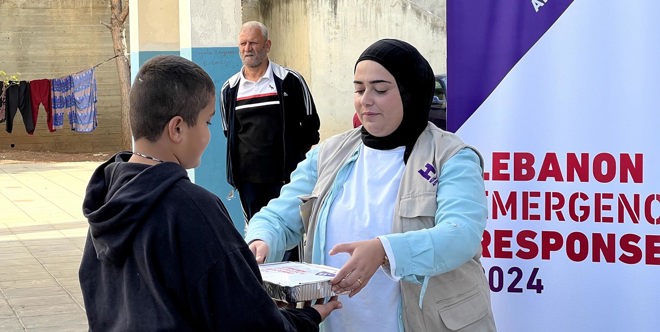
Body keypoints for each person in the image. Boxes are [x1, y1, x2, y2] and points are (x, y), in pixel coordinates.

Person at [245, 39, 496, 331]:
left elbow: (461, 235)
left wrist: (385, 250)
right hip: (341, 321)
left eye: (380, 89)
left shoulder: (451, 157)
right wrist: (261, 240)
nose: (366, 99)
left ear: (409, 92)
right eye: (359, 89)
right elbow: (279, 215)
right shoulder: (329, 153)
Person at [78, 55, 341, 331]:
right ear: (177, 128)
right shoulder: (191, 208)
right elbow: (249, 321)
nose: (208, 135)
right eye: (207, 123)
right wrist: (307, 318)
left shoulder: (108, 197)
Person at [220, 21, 320, 262]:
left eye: (253, 42)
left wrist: (295, 163)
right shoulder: (230, 89)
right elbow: (229, 132)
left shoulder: (290, 81)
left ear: (267, 45)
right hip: (249, 183)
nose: (248, 48)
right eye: (243, 44)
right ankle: (263, 288)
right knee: (256, 235)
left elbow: (311, 126)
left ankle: (292, 288)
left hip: (286, 180)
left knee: (289, 234)